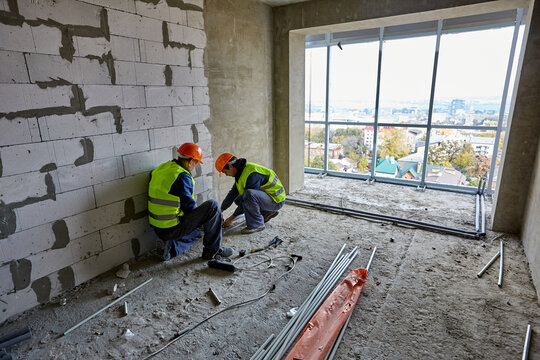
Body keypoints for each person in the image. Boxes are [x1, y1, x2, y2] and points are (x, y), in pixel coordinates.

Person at [148, 143, 233, 261]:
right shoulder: (182, 176)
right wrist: (210, 220)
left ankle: (171, 249)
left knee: (198, 234)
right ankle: (212, 251)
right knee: (213, 206)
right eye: (196, 163)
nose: (195, 166)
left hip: (158, 228)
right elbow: (189, 209)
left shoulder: (161, 169)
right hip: (172, 228)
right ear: (191, 161)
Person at [215, 153, 286, 234]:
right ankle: (267, 212)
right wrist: (221, 210)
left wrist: (231, 218)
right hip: (268, 197)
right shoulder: (241, 172)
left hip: (276, 200)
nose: (226, 175)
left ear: (230, 166)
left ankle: (257, 224)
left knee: (248, 195)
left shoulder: (251, 175)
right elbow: (233, 193)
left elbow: (248, 199)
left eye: (225, 172)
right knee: (238, 199)